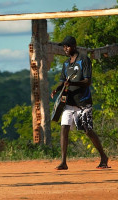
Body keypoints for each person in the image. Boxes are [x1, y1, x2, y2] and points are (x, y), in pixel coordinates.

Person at [51, 36, 109, 170]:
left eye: (67, 46)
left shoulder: (84, 60)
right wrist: (57, 89)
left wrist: (72, 83)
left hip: (83, 102)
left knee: (88, 131)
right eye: (64, 46)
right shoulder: (66, 64)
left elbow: (87, 81)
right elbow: (63, 80)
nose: (65, 49)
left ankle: (104, 157)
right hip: (69, 102)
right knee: (64, 128)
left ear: (74, 46)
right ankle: (63, 162)